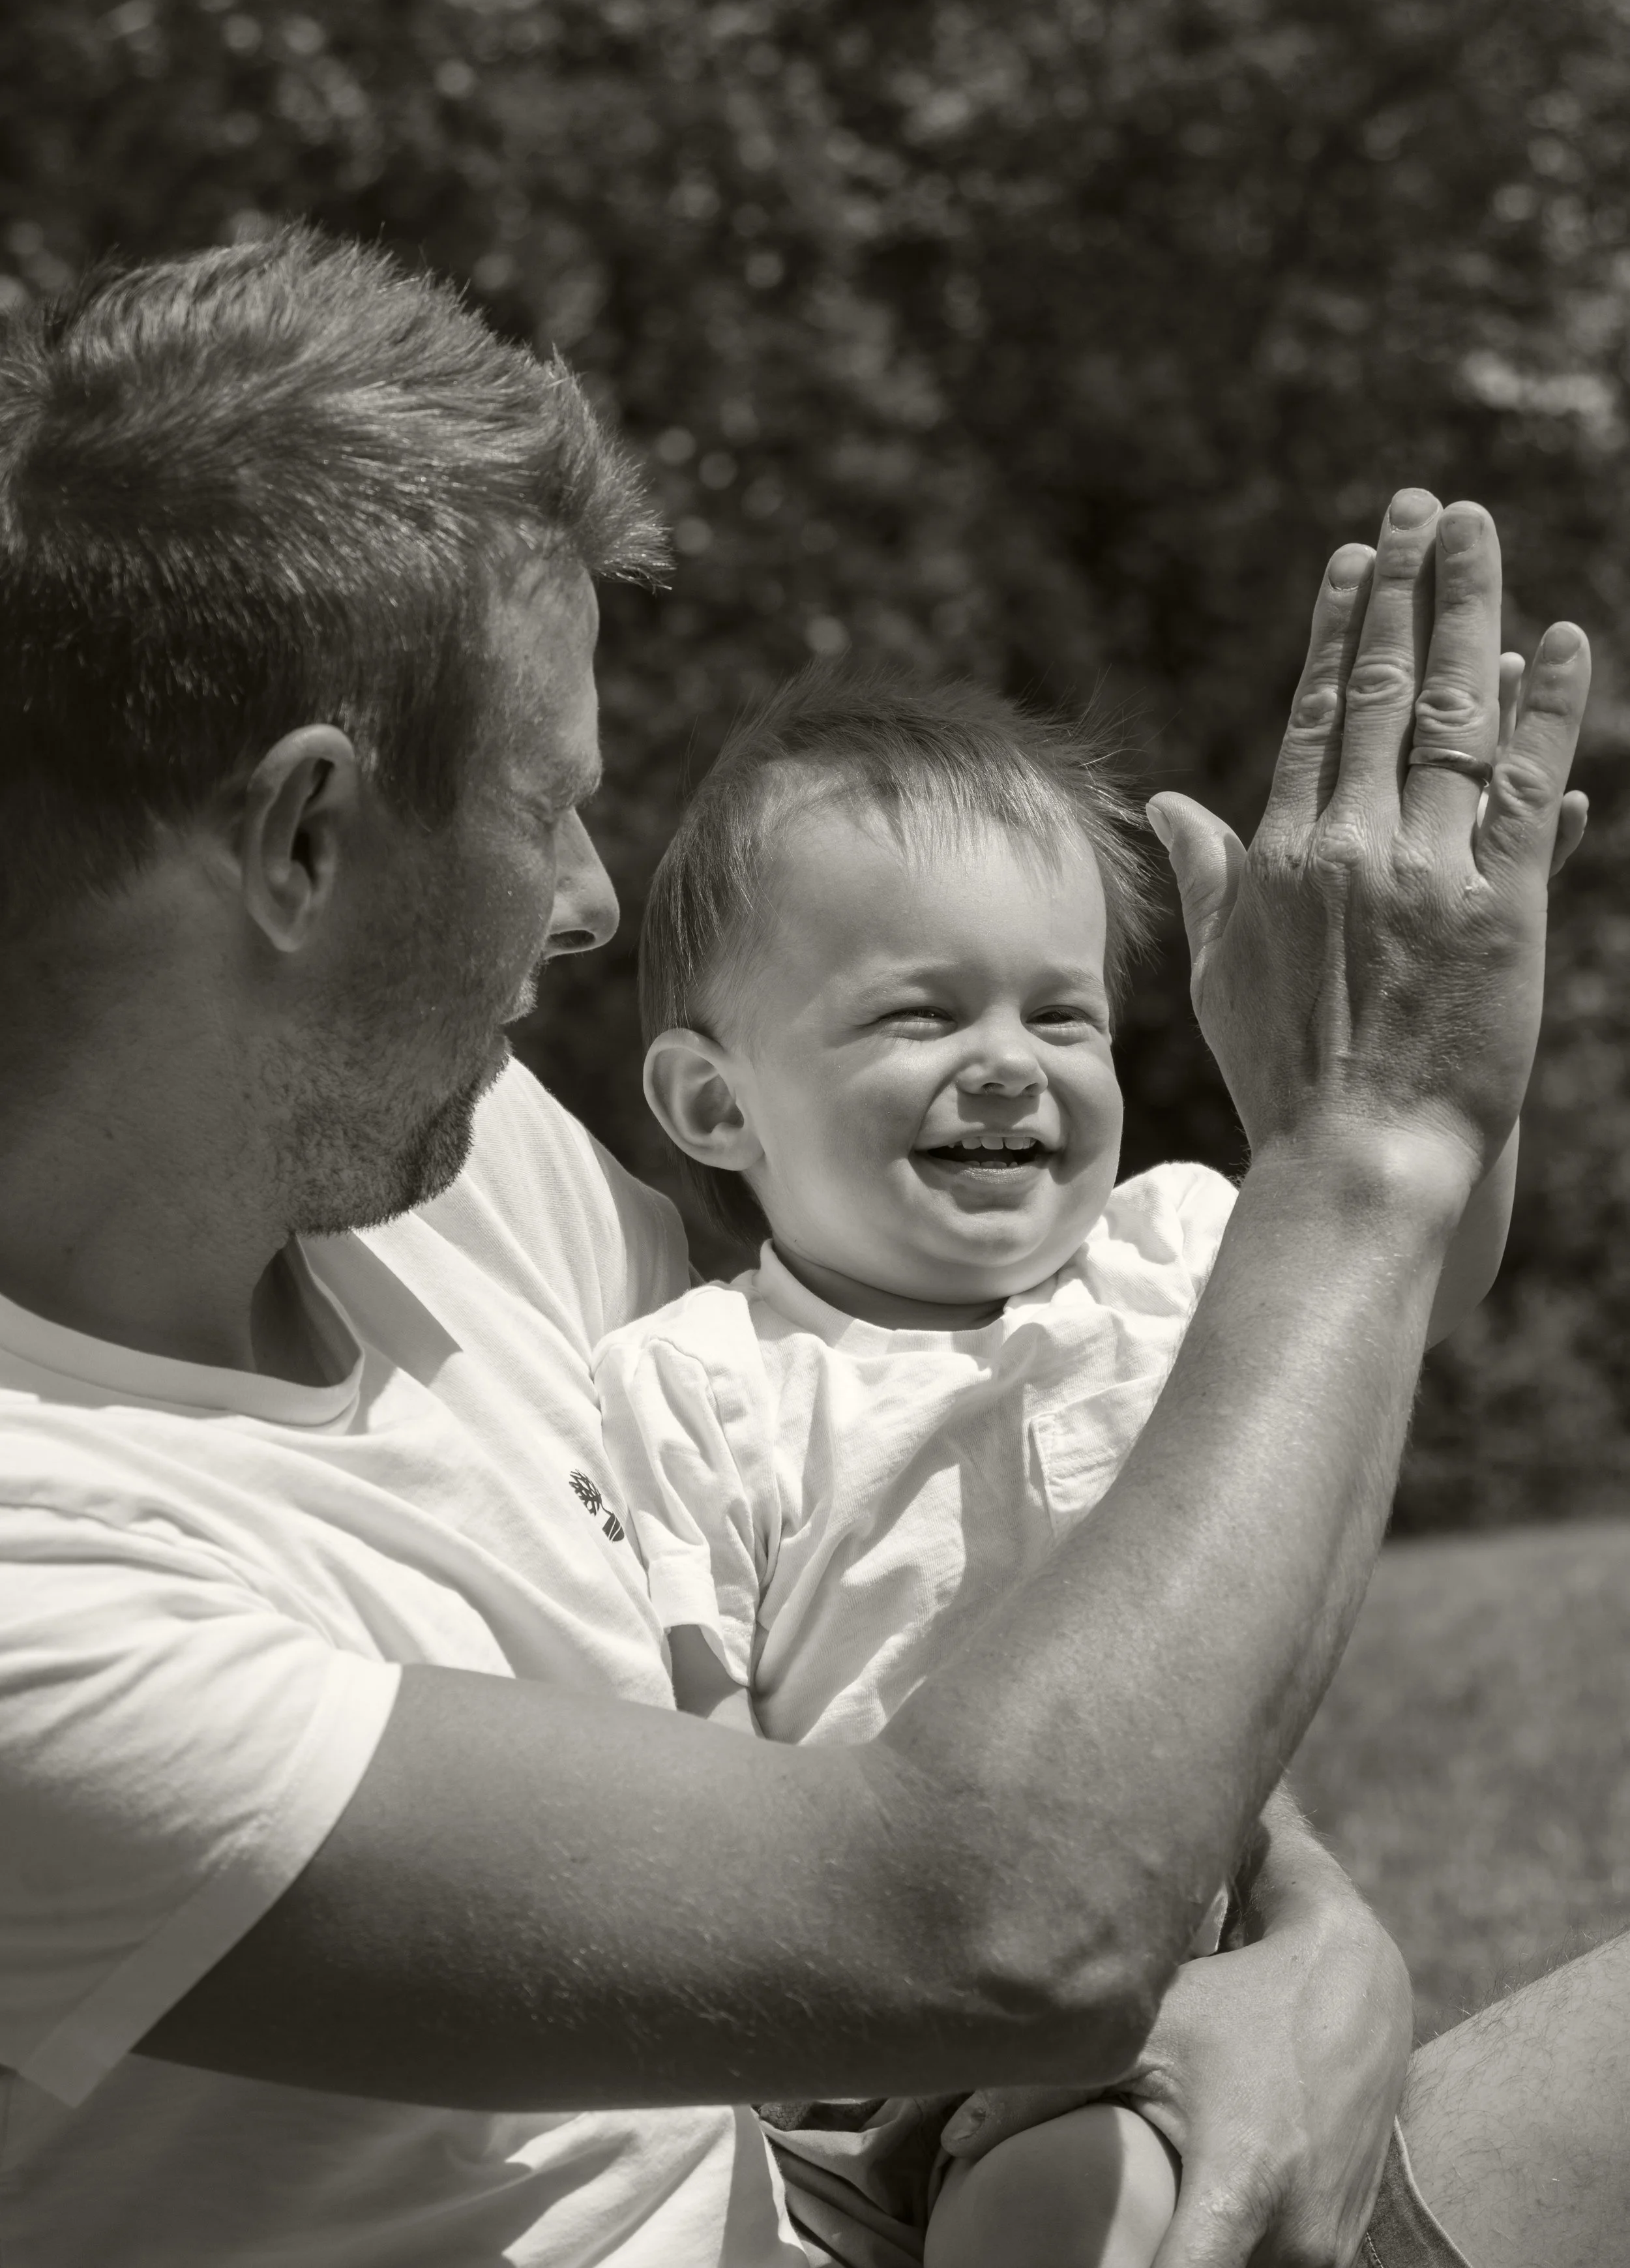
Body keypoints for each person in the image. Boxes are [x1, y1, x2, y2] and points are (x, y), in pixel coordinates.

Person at [0, 227, 1612, 2268]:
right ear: (304, 840)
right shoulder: (39, 1587)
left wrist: (1296, 1935)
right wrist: (1373, 1139)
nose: (588, 899)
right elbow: (997, 1920)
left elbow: (970, 1551)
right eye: (544, 804)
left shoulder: (442, 1156)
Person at [591, 664, 1565, 2268]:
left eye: (1059, 1012)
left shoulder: (1174, 1252)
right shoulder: (701, 1385)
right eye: (920, 1010)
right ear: (713, 1102)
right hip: (913, 2043)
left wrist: (1455, 1072)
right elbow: (689, 1766)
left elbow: (1415, 1274)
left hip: (1218, 1970)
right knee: (1072, 2208)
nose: (1006, 1060)